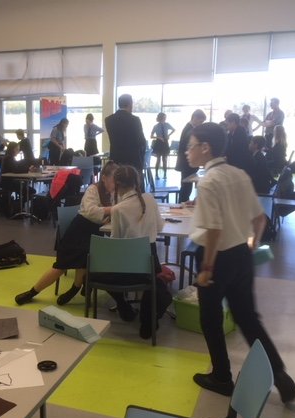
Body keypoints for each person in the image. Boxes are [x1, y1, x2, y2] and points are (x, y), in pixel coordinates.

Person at [185, 121, 295, 404]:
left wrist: (207, 268)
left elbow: (214, 230)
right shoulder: (238, 174)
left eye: (190, 146)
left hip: (215, 257)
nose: (187, 151)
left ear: (205, 148)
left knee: (210, 318)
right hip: (240, 255)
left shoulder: (209, 181)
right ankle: (280, 375)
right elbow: (259, 219)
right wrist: (251, 246)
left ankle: (221, 377)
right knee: (248, 318)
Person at [15, 161, 119, 307]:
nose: (115, 184)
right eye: (113, 180)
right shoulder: (93, 190)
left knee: (86, 259)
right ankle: (32, 292)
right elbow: (91, 212)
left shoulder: (113, 192)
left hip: (94, 233)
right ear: (104, 178)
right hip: (78, 232)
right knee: (60, 266)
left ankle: (76, 288)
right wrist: (113, 209)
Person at [104, 165, 166, 339]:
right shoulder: (149, 199)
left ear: (116, 184)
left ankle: (123, 305)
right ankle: (147, 319)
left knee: (93, 272)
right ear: (137, 181)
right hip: (150, 265)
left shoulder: (118, 209)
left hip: (126, 268)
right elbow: (160, 227)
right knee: (153, 283)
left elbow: (115, 242)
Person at [105, 94, 146, 177]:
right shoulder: (135, 120)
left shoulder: (108, 120)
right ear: (130, 104)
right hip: (133, 162)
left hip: (116, 161)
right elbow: (141, 141)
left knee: (117, 183)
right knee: (132, 184)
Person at [176, 109, 207, 203]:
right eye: (201, 121)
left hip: (186, 163)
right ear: (195, 118)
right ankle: (182, 206)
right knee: (186, 188)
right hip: (187, 163)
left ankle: (183, 204)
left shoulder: (189, 128)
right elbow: (187, 148)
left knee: (186, 188)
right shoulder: (190, 130)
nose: (201, 124)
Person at [150, 112, 175, 179]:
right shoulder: (156, 126)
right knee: (158, 159)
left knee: (164, 159)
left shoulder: (167, 124)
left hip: (165, 142)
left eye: (165, 117)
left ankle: (165, 174)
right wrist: (158, 137)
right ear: (161, 118)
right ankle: (156, 175)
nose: (165, 118)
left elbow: (173, 130)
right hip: (158, 143)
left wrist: (168, 135)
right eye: (164, 117)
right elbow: (151, 136)